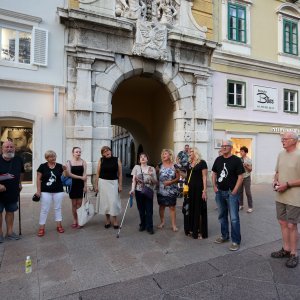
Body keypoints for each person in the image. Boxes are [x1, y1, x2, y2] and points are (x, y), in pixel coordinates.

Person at [271, 131, 300, 268]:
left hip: (294, 197)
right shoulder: (280, 154)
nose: (282, 141)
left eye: (285, 139)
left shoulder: (299, 155)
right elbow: (277, 172)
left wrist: (287, 185)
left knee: (291, 225)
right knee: (282, 223)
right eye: (282, 139)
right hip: (280, 195)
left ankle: (294, 254)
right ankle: (286, 249)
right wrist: (275, 180)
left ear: (294, 140)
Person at [212, 140, 244, 251]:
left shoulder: (236, 160)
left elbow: (241, 177)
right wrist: (214, 186)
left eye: (226, 146)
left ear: (231, 147)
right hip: (220, 192)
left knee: (234, 218)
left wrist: (235, 190)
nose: (224, 147)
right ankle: (224, 236)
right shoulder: (218, 159)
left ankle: (235, 241)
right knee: (222, 215)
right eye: (223, 146)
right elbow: (214, 173)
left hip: (231, 193)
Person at [35, 150, 66, 237]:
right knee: (44, 209)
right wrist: (38, 191)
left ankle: (59, 225)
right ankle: (41, 228)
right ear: (47, 158)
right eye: (51, 157)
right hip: (45, 191)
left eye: (54, 156)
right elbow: (38, 179)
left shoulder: (60, 166)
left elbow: (66, 176)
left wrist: (65, 170)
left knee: (58, 208)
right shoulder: (42, 166)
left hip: (58, 190)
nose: (53, 158)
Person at [0, 141, 24, 242]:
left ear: (14, 148)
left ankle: (9, 232)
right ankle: (0, 234)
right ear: (2, 149)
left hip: (13, 191)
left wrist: (20, 183)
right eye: (7, 147)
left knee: (10, 211)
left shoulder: (18, 159)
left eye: (11, 147)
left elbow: (21, 172)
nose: (9, 149)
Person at [94, 146, 122, 229]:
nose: (107, 152)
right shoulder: (101, 160)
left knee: (113, 202)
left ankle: (115, 220)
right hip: (103, 183)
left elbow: (120, 174)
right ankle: (107, 220)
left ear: (111, 151)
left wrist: (120, 185)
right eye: (104, 151)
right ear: (102, 154)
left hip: (113, 183)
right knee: (105, 202)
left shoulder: (117, 159)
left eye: (108, 150)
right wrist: (96, 185)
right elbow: (97, 173)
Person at [183, 147, 208, 239]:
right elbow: (187, 176)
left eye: (191, 151)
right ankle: (191, 229)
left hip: (198, 189)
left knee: (199, 209)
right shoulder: (189, 164)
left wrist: (204, 191)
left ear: (196, 152)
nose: (189, 152)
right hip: (189, 190)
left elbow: (204, 177)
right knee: (190, 209)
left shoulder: (202, 162)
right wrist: (178, 171)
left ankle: (200, 231)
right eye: (189, 151)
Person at [130, 153, 157, 234]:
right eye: (141, 157)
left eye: (145, 157)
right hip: (139, 191)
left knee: (149, 210)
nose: (143, 158)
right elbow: (133, 180)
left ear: (147, 159)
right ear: (139, 160)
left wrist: (151, 175)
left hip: (148, 191)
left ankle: (150, 227)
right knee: (141, 209)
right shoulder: (136, 167)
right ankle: (142, 225)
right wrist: (132, 189)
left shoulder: (151, 168)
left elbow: (155, 182)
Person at [156, 149, 180, 232]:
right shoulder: (159, 165)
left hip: (172, 190)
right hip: (161, 189)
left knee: (172, 207)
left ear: (170, 155)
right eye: (162, 154)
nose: (163, 155)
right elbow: (155, 176)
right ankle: (162, 222)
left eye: (165, 154)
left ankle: (173, 225)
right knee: (161, 206)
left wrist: (171, 182)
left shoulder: (175, 166)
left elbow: (177, 178)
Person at [64, 147, 87, 228]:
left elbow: (85, 175)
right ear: (73, 153)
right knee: (74, 204)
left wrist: (85, 186)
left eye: (79, 152)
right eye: (76, 152)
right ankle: (75, 220)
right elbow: (69, 174)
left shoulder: (83, 162)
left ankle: (80, 220)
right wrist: (81, 178)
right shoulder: (69, 162)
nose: (78, 153)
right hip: (72, 184)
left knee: (79, 204)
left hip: (80, 185)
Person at [238, 146, 253, 213]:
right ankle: (241, 205)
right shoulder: (239, 159)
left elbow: (250, 170)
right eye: (240, 151)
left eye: (242, 151)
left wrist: (246, 166)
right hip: (240, 178)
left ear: (246, 152)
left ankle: (250, 207)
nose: (241, 152)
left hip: (247, 177)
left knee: (248, 192)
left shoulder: (248, 159)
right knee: (240, 192)